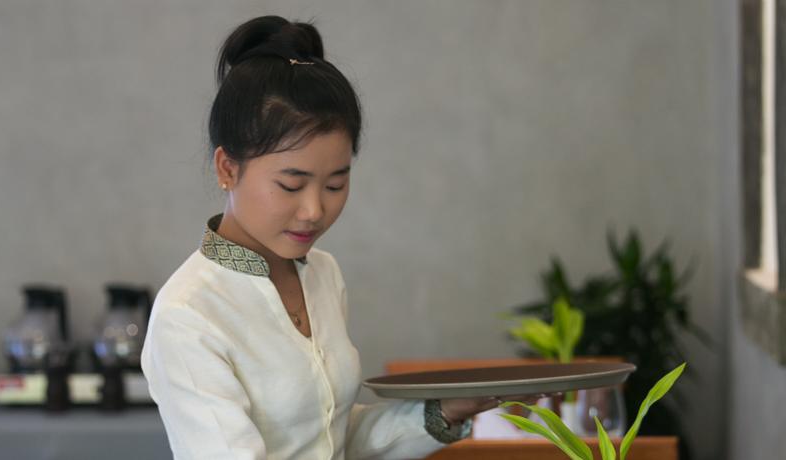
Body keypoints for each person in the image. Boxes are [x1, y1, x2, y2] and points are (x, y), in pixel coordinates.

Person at [141, 15, 523, 460]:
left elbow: (332, 436)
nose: (314, 211)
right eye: (291, 184)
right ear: (228, 168)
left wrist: (445, 411)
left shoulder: (323, 273)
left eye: (336, 184)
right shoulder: (187, 315)